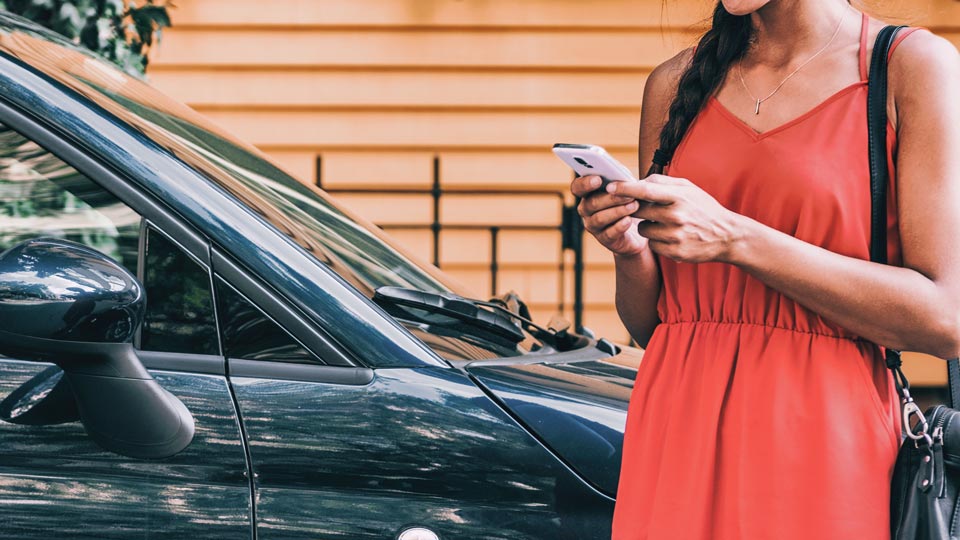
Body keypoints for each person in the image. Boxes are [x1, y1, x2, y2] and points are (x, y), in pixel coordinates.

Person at [570, 1, 960, 538]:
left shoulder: (909, 67)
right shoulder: (675, 83)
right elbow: (655, 327)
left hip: (820, 439)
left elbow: (946, 319)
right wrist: (629, 247)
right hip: (676, 426)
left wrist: (736, 238)